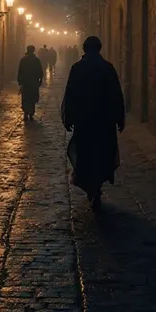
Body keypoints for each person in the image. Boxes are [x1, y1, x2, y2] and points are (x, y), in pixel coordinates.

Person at [61, 35, 125, 210]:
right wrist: (119, 117)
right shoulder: (107, 68)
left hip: (85, 120)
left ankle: (91, 187)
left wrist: (69, 117)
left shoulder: (77, 68)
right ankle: (97, 187)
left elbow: (71, 95)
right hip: (104, 120)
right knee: (103, 152)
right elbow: (116, 94)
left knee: (86, 153)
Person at [18, 45, 44, 121]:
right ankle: (31, 113)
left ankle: (26, 112)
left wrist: (20, 82)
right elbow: (40, 71)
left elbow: (20, 71)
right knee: (32, 98)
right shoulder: (36, 60)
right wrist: (40, 80)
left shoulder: (23, 59)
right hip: (33, 82)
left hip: (26, 83)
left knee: (25, 98)